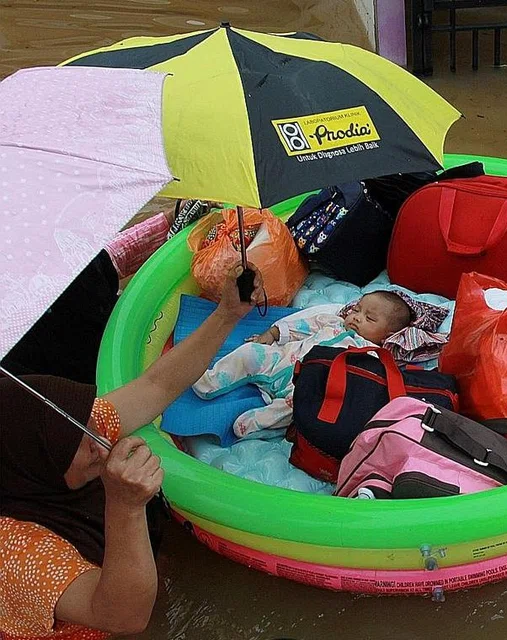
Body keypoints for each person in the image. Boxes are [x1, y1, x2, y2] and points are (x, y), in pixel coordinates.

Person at [0, 264, 263, 640]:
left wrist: (227, 314)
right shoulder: (16, 551)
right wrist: (125, 506)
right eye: (78, 440)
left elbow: (157, 385)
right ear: (35, 466)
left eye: (89, 420)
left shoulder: (74, 430)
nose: (99, 437)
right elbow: (123, 617)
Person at [0, 201, 214, 383]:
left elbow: (110, 258)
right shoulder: (13, 366)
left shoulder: (58, 251)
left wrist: (170, 221)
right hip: (93, 383)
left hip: (123, 324)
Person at [192, 290, 440, 439]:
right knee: (249, 353)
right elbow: (301, 326)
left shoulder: (372, 355)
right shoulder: (333, 322)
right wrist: (273, 334)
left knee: (294, 408)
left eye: (369, 318)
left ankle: (253, 424)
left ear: (387, 335)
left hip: (303, 385)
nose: (356, 317)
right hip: (280, 360)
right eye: (358, 309)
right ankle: (209, 381)